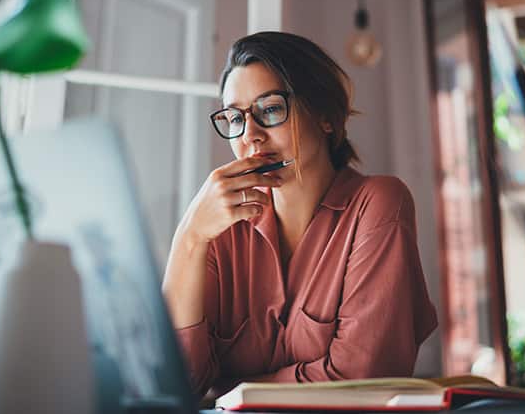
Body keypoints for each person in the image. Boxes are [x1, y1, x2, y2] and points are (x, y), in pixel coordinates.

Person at [162, 31, 437, 399]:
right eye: (234, 118)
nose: (251, 137)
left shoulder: (378, 204)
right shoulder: (218, 229)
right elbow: (176, 385)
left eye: (271, 109)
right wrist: (189, 238)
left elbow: (361, 378)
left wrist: (230, 390)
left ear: (324, 115)